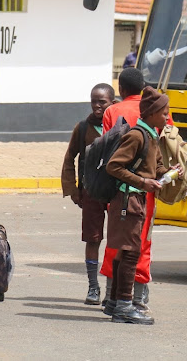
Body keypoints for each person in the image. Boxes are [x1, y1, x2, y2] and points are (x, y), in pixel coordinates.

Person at [99, 68, 173, 311]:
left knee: (124, 248)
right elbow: (113, 165)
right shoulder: (139, 134)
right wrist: (143, 182)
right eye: (164, 114)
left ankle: (115, 300)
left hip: (136, 197)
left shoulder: (149, 133)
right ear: (152, 113)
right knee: (133, 250)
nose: (168, 118)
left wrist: (167, 173)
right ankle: (126, 303)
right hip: (129, 197)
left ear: (121, 90)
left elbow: (155, 164)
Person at [61, 83, 115, 305]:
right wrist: (73, 189)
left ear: (112, 102)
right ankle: (93, 287)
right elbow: (69, 158)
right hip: (91, 191)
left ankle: (113, 288)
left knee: (115, 239)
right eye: (93, 101)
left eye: (102, 102)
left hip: (115, 191)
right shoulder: (83, 128)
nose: (97, 106)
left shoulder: (120, 126)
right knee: (93, 238)